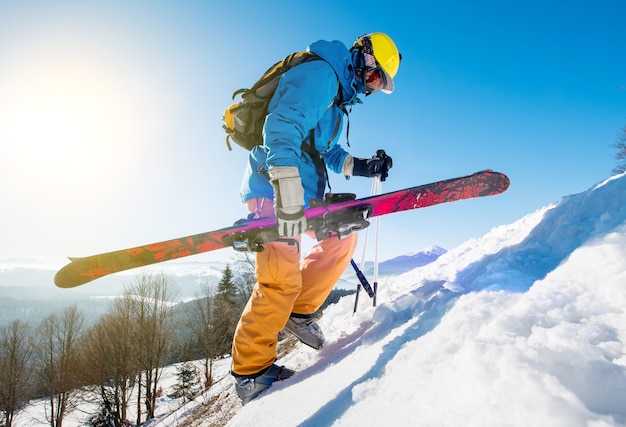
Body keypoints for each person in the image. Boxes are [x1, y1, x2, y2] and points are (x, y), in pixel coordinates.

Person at [231, 32, 401, 404]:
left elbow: (329, 152)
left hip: (302, 198)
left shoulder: (337, 100)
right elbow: (280, 127)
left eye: (379, 86)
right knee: (279, 279)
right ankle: (251, 373)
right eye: (374, 78)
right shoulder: (321, 75)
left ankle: (300, 312)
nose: (371, 89)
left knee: (343, 238)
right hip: (272, 192)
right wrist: (286, 192)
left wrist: (365, 165)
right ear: (363, 59)